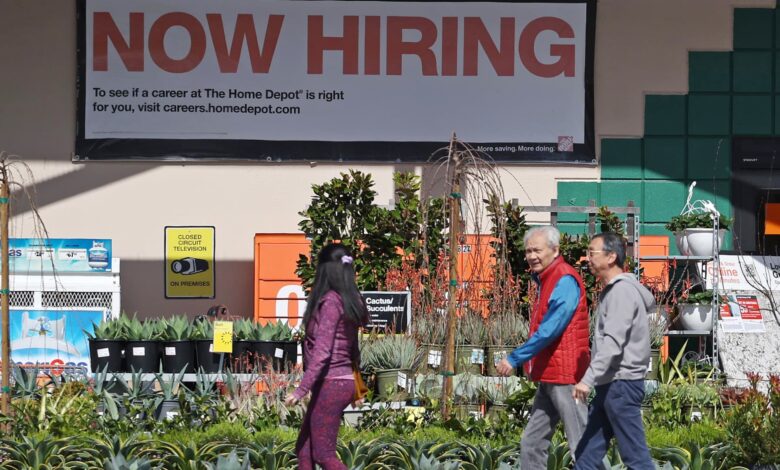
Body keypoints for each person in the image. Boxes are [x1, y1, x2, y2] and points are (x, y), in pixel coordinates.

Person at [495, 225, 590, 468]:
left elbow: (551, 328)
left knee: (581, 444)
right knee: (532, 443)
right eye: (528, 251)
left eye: (537, 250)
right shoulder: (546, 278)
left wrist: (515, 358)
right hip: (551, 374)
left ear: (555, 250)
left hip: (566, 376)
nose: (531, 256)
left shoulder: (564, 279)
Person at [572, 232, 654, 469]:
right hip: (611, 386)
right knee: (587, 456)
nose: (587, 258)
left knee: (636, 458)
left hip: (622, 386)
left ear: (611, 257)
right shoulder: (615, 291)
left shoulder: (621, 292)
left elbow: (613, 344)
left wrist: (587, 380)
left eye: (591, 252)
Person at [284, 243, 368, 470]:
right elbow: (354, 349)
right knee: (304, 449)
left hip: (331, 383)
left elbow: (322, 352)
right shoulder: (349, 300)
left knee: (323, 454)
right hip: (340, 382)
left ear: (326, 270)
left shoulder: (331, 301)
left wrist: (301, 390)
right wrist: (357, 386)